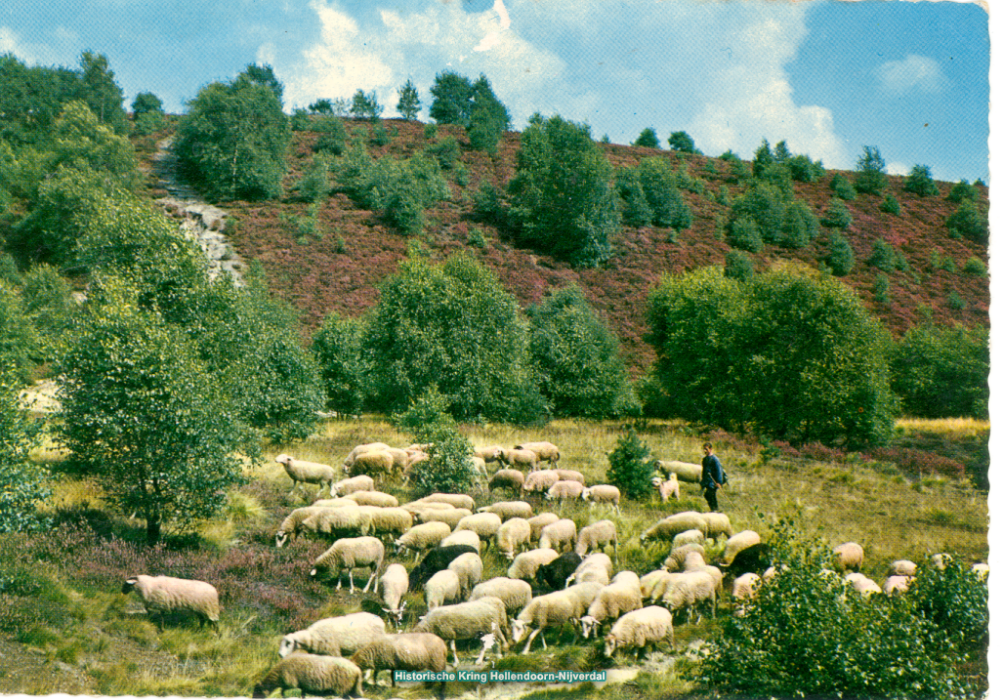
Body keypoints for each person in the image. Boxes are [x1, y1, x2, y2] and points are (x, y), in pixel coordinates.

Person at [700, 442, 724, 512]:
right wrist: (702, 482)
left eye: (706, 449)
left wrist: (719, 482)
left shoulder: (715, 459)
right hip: (707, 481)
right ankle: (713, 509)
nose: (704, 451)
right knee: (708, 495)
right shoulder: (704, 459)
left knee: (709, 494)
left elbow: (719, 471)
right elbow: (704, 471)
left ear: (710, 449)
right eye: (704, 449)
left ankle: (715, 509)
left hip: (713, 482)